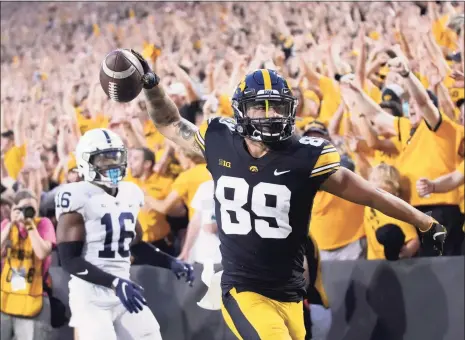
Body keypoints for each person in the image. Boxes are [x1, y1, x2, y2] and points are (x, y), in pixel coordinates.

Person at [126, 51, 446, 340]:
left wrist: (423, 221)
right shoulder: (220, 140)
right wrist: (152, 85)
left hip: (291, 295)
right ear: (241, 110)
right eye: (258, 106)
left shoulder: (305, 156)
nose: (269, 115)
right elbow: (169, 121)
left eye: (276, 106)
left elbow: (370, 194)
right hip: (244, 289)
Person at [55, 128, 194, 340]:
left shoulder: (130, 193)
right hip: (90, 294)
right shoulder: (76, 195)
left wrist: (170, 262)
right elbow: (69, 260)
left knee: (151, 335)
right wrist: (114, 282)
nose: (112, 164)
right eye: (103, 159)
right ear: (86, 161)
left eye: (116, 157)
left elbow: (135, 244)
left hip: (123, 288)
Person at [0, 189, 56, 340]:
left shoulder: (43, 224)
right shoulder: (7, 225)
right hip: (7, 296)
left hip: (35, 296)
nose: (27, 213)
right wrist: (11, 223)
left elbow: (42, 253)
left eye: (31, 209)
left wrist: (30, 226)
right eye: (22, 209)